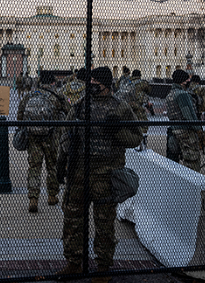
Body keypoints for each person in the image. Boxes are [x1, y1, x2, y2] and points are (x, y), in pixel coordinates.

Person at [56, 66, 142, 282]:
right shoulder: (80, 105)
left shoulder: (120, 108)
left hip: (106, 174)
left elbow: (136, 138)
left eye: (96, 83)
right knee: (73, 219)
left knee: (104, 223)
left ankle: (103, 267)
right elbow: (66, 133)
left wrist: (117, 130)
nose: (92, 86)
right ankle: (74, 262)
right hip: (79, 172)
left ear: (106, 85)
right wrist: (61, 161)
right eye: (90, 82)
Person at [17, 71, 71, 212]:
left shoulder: (30, 95)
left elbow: (20, 114)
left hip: (33, 137)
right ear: (53, 82)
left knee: (34, 167)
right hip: (51, 136)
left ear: (40, 82)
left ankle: (33, 198)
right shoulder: (57, 96)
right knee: (51, 167)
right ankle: (52, 195)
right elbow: (68, 111)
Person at [165, 70, 203, 172]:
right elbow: (189, 115)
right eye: (188, 79)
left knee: (172, 162)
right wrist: (198, 130)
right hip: (186, 132)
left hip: (174, 130)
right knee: (192, 162)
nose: (189, 80)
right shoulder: (182, 94)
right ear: (183, 81)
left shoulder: (170, 94)